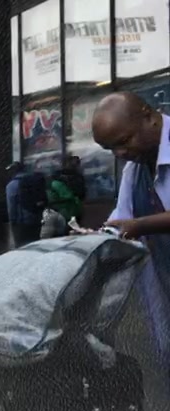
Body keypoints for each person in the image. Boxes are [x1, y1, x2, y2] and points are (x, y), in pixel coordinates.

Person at [92, 91, 170, 367]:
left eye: (124, 141)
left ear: (148, 117)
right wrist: (99, 236)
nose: (120, 153)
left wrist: (140, 225)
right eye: (111, 148)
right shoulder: (134, 168)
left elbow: (133, 223)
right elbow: (122, 216)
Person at [6, 161, 48, 247]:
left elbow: (12, 205)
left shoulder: (12, 185)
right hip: (36, 219)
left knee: (22, 248)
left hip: (22, 223)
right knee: (35, 246)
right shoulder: (34, 181)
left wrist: (12, 222)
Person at [58, 154, 88, 227]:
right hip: (68, 205)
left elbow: (81, 191)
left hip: (74, 205)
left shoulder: (77, 175)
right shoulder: (61, 176)